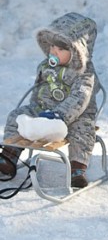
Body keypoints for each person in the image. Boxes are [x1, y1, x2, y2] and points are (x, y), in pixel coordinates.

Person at [0, 13, 100, 188]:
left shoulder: (84, 73)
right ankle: (9, 156)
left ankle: (77, 169)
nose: (53, 51)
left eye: (60, 49)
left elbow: (80, 98)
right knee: (16, 115)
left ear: (77, 51)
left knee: (83, 130)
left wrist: (59, 115)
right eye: (52, 46)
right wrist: (34, 110)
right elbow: (38, 89)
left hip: (75, 116)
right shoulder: (46, 66)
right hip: (43, 109)